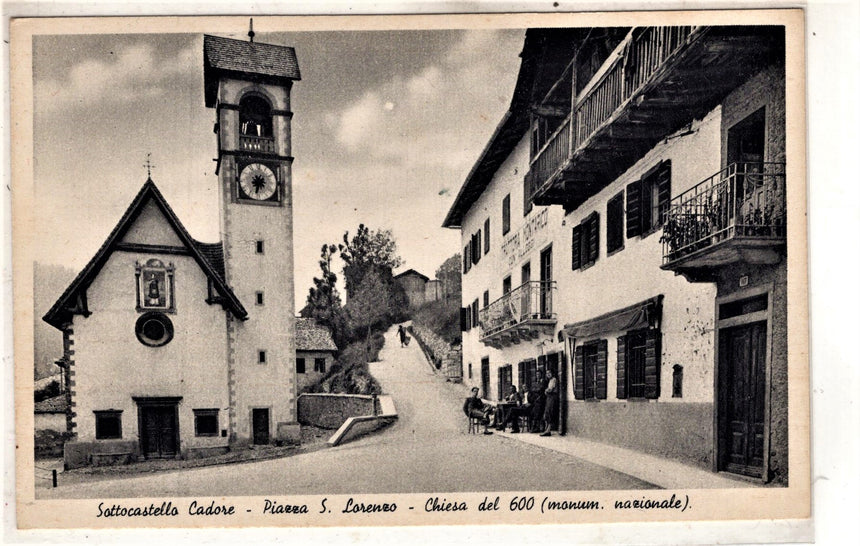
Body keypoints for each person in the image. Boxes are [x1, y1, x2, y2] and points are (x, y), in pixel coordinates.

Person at [540, 369, 559, 437]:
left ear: (552, 373)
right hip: (549, 398)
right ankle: (547, 430)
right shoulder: (550, 380)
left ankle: (548, 430)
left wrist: (546, 391)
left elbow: (550, 389)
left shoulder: (553, 380)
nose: (548, 374)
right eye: (547, 373)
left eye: (549, 373)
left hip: (552, 397)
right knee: (547, 413)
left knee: (550, 412)